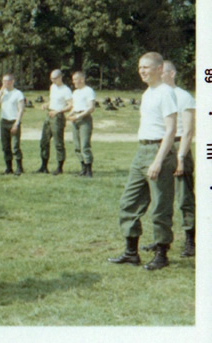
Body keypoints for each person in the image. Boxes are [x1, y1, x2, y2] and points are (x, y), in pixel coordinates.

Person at [108, 52, 177, 271]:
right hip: (142, 150)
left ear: (159, 69)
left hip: (159, 151)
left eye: (146, 67)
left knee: (160, 206)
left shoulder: (166, 93)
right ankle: (131, 253)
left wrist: (157, 161)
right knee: (128, 201)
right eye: (139, 68)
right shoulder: (148, 93)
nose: (142, 71)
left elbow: (171, 130)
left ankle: (161, 254)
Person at [142, 60, 194, 257]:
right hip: (164, 148)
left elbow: (188, 131)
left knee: (184, 198)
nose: (157, 74)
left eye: (161, 71)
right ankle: (160, 240)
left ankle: (190, 240)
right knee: (162, 197)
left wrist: (181, 157)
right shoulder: (156, 93)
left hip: (180, 147)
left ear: (171, 73)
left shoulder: (184, 96)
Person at [37, 69, 73, 175]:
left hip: (58, 116)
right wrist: (46, 104)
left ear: (60, 77)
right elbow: (53, 100)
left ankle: (59, 167)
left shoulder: (66, 90)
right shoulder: (53, 87)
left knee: (58, 143)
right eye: (51, 79)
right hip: (49, 115)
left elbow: (70, 105)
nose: (53, 81)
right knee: (44, 141)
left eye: (55, 78)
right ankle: (44, 166)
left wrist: (58, 111)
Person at [0, 73, 25, 175]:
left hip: (13, 120)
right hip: (4, 121)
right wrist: (0, 95)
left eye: (8, 81)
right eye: (4, 81)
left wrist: (16, 123)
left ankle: (19, 167)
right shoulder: (2, 93)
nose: (5, 83)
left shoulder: (18, 93)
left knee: (15, 146)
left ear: (12, 81)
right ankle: (8, 167)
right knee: (5, 146)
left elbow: (21, 109)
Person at [67, 71, 96, 177]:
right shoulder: (75, 92)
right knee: (77, 146)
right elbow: (75, 106)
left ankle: (89, 170)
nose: (73, 81)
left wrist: (78, 116)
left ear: (82, 79)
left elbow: (91, 107)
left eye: (75, 79)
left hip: (84, 119)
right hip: (75, 119)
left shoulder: (88, 91)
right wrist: (70, 114)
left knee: (85, 145)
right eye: (73, 79)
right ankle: (82, 168)